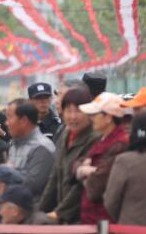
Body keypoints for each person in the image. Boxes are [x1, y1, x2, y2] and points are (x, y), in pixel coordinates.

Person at [39, 87, 97, 224]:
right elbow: (54, 177)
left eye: (78, 111)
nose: (73, 117)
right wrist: (41, 210)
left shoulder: (95, 138)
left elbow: (81, 186)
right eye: (68, 111)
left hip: (84, 216)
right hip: (65, 216)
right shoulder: (65, 134)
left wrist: (60, 213)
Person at [76, 92, 130, 224]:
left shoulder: (119, 144)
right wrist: (86, 170)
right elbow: (77, 163)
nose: (91, 118)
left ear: (108, 118)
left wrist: (86, 171)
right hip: (93, 218)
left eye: (95, 115)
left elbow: (96, 188)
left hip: (104, 220)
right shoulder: (102, 138)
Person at [5, 98, 55, 200]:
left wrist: (7, 173)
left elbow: (32, 186)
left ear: (23, 121)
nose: (6, 123)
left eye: (9, 118)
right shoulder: (14, 144)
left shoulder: (41, 147)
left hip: (31, 211)